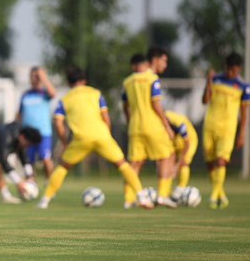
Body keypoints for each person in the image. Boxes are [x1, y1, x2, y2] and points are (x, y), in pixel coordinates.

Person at [37, 67, 153, 209]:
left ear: (69, 83)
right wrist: (107, 136)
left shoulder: (64, 100)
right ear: (84, 80)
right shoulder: (96, 94)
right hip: (101, 136)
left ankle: (44, 200)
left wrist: (64, 142)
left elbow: (58, 123)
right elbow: (105, 117)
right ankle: (141, 196)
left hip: (81, 139)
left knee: (63, 167)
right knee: (122, 164)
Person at [121, 48, 177, 208]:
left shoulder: (127, 81)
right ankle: (162, 195)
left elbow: (125, 107)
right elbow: (155, 103)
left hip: (135, 127)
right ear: (154, 60)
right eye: (164, 61)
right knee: (167, 155)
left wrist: (131, 121)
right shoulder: (152, 78)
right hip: (152, 126)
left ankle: (128, 199)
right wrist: (166, 125)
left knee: (134, 163)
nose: (165, 65)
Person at [201, 52, 249, 209]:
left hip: (228, 129)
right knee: (210, 164)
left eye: (234, 70)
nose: (231, 73)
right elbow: (204, 101)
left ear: (239, 69)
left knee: (221, 160)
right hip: (210, 126)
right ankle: (221, 194)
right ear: (226, 66)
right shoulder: (215, 79)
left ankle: (213, 198)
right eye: (229, 69)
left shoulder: (243, 86)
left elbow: (244, 112)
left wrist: (241, 134)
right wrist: (208, 81)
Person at [17, 66, 56, 182]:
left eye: (36, 75)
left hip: (43, 132)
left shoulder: (44, 93)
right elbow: (19, 113)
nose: (34, 78)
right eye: (32, 75)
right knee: (28, 162)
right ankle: (30, 183)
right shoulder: (25, 94)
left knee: (45, 159)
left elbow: (53, 93)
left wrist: (43, 78)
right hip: (27, 134)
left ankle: (48, 181)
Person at [164, 110, 198, 194]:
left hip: (189, 140)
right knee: (167, 164)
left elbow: (187, 144)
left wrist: (177, 164)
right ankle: (166, 192)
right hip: (174, 141)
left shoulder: (178, 122)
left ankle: (181, 190)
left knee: (184, 162)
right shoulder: (159, 121)